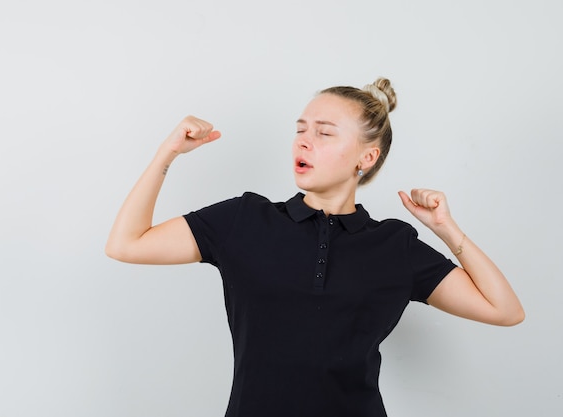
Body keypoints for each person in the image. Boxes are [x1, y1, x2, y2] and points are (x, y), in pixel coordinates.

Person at [105, 77, 524, 417]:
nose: (304, 142)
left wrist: (446, 229)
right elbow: (126, 243)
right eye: (301, 130)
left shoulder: (393, 245)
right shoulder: (244, 219)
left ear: (367, 157)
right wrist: (168, 153)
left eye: (324, 133)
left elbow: (504, 310)